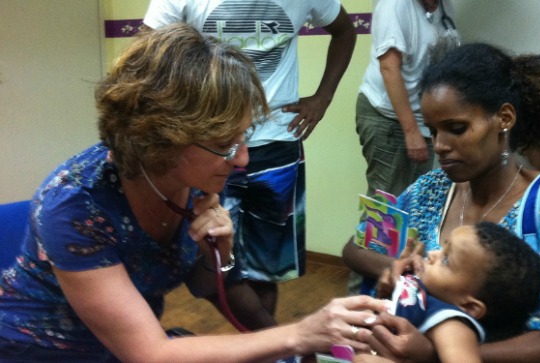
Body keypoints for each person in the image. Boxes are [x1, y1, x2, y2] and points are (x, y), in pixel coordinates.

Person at [0, 24, 385, 363]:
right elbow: (150, 354)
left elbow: (205, 285)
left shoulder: (191, 178)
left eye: (243, 137)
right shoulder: (74, 205)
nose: (242, 160)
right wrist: (300, 335)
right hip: (40, 351)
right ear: (163, 140)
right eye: (225, 143)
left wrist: (220, 256)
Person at [344, 42, 540, 362]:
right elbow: (354, 248)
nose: (439, 146)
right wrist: (398, 268)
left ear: (504, 118)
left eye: (456, 129)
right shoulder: (431, 189)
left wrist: (437, 352)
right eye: (433, 131)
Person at [143, 0, 357, 332]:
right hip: (207, 148)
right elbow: (145, 57)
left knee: (266, 267)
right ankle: (277, 344)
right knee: (207, 256)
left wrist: (323, 97)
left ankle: (267, 351)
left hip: (278, 146)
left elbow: (344, 30)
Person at [349, 0, 461, 297]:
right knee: (384, 212)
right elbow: (389, 66)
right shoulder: (395, 5)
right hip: (388, 117)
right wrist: (411, 131)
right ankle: (358, 300)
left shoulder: (443, 5)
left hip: (422, 121)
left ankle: (397, 293)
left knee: (412, 213)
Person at [380, 222, 540, 363]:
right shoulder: (422, 294)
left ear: (469, 306)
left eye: (446, 259)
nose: (431, 254)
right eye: (443, 247)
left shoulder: (450, 323)